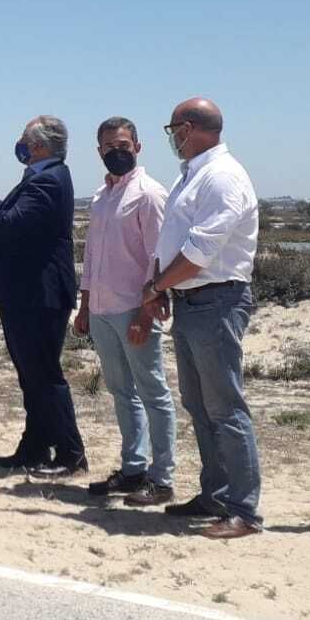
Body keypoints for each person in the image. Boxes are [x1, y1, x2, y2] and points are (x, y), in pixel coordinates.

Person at [132, 98, 262, 539]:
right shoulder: (193, 174)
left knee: (225, 407)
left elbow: (202, 249)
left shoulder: (223, 177)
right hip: (190, 303)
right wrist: (161, 283)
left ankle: (243, 509)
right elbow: (171, 240)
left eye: (174, 129)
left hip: (216, 301)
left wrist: (157, 286)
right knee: (200, 405)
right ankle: (215, 493)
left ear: (189, 128)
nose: (172, 137)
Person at [0, 115, 86, 475]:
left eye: (24, 140)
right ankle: (34, 447)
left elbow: (13, 224)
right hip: (26, 294)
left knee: (43, 375)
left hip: (39, 295)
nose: (20, 145)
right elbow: (19, 213)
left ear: (40, 145)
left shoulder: (48, 180)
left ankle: (70, 453)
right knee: (31, 375)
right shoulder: (43, 178)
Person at [74, 117, 175, 506]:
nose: (117, 152)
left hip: (134, 310)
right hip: (101, 310)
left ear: (137, 146)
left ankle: (162, 478)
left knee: (153, 393)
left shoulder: (148, 194)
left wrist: (146, 315)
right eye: (109, 147)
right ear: (99, 151)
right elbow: (91, 253)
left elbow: (159, 259)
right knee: (121, 392)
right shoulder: (101, 196)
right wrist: (84, 305)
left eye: (123, 145)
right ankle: (133, 469)